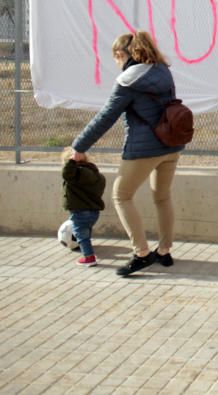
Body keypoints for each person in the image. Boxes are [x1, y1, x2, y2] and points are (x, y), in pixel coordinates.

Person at [70, 31, 184, 277]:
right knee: (162, 197)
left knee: (121, 196)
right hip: (171, 145)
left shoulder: (128, 80)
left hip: (144, 149)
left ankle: (141, 254)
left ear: (122, 54)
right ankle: (164, 252)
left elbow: (106, 117)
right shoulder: (163, 71)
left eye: (115, 57)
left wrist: (78, 146)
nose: (116, 63)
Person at [61, 147, 106, 267]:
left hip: (80, 211)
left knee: (81, 234)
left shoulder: (75, 174)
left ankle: (89, 257)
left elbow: (66, 173)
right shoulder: (96, 175)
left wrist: (71, 161)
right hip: (94, 212)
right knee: (86, 231)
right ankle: (87, 249)